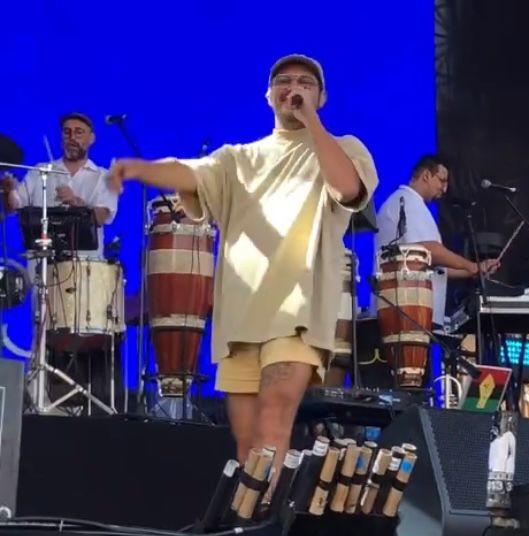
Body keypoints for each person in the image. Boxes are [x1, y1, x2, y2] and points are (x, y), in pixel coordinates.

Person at [107, 54, 378, 468]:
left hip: (299, 314)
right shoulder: (237, 158)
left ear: (322, 97)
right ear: (268, 95)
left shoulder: (344, 148)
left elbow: (347, 190)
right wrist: (138, 169)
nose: (294, 88)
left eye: (306, 83)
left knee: (274, 421)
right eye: (284, 81)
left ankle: (262, 527)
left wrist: (312, 125)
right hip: (242, 316)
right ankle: (247, 519)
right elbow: (189, 172)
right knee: (247, 442)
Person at [375, 155, 499, 328]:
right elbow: (430, 251)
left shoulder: (411, 203)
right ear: (426, 175)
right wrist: (471, 266)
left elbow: (435, 267)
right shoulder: (408, 202)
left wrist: (475, 271)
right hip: (406, 310)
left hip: (413, 310)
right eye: (442, 181)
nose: (445, 189)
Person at [1, 112, 118, 257]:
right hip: (42, 265)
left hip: (86, 267)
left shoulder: (104, 177)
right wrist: (9, 191)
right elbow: (13, 207)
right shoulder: (40, 171)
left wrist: (76, 203)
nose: (72, 138)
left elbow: (102, 216)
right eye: (67, 132)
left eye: (79, 132)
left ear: (91, 139)